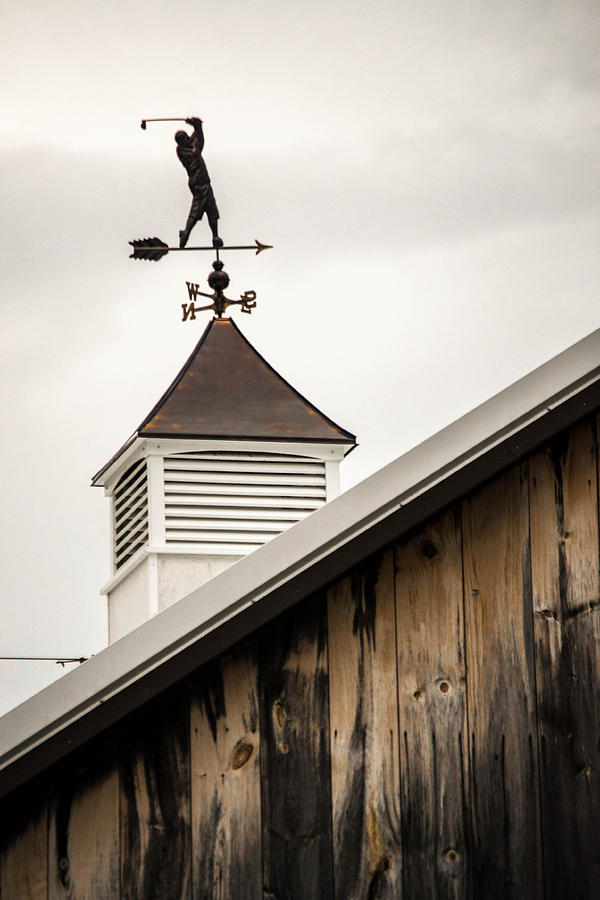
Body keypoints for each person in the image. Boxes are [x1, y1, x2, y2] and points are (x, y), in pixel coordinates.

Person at [175, 117, 223, 249]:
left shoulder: (185, 149)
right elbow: (198, 141)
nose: (188, 138)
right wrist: (198, 127)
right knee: (198, 208)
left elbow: (196, 140)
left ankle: (215, 236)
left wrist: (196, 127)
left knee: (211, 209)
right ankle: (186, 232)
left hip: (203, 183)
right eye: (185, 137)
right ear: (182, 141)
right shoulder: (187, 151)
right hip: (199, 184)